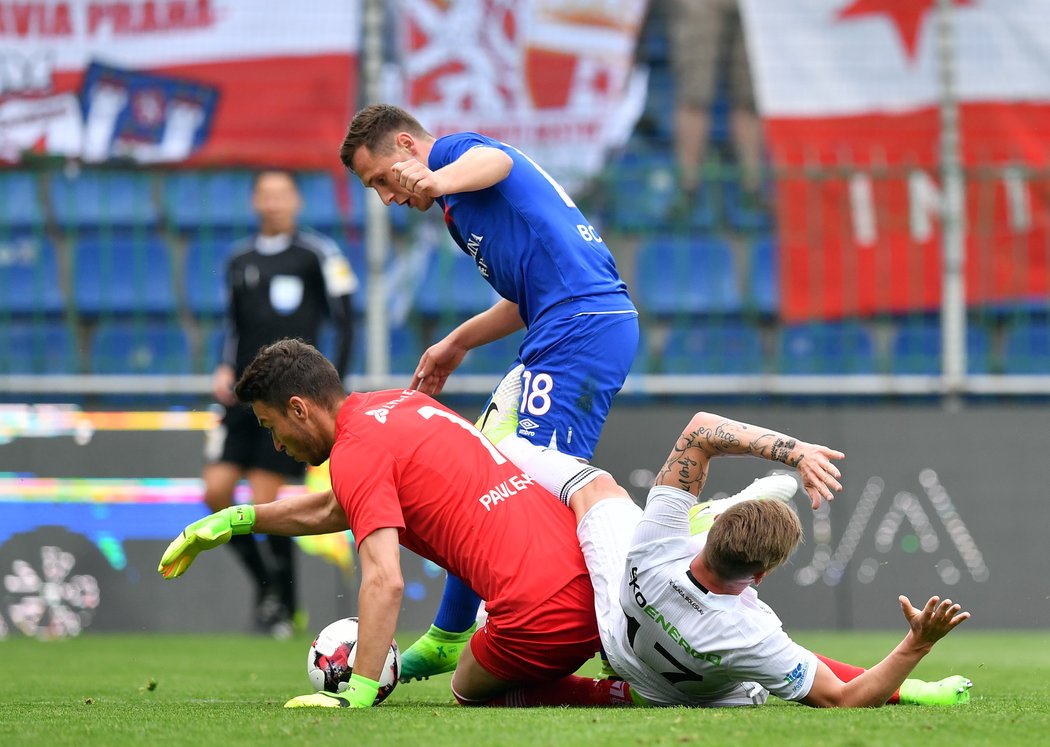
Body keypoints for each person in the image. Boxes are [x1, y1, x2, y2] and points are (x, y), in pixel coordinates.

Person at [159, 339, 638, 709]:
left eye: (271, 427)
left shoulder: (355, 453)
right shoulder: (398, 405)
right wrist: (238, 519)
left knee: (467, 687)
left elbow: (385, 581)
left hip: (541, 619)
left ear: (300, 409)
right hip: (601, 582)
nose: (277, 445)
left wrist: (360, 689)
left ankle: (610, 694)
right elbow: (338, 507)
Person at [339, 103, 640, 678]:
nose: (387, 197)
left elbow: (495, 159)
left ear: (406, 145)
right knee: (489, 472)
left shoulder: (454, 156)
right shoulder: (459, 206)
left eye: (381, 179)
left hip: (580, 328)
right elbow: (524, 298)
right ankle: (453, 631)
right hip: (568, 325)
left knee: (530, 484)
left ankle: (619, 622)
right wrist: (456, 342)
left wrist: (433, 176)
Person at [572, 410, 974, 708]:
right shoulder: (750, 633)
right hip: (671, 691)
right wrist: (917, 643)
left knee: (596, 490)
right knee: (765, 672)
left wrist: (796, 453)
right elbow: (843, 699)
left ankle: (711, 514)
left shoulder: (654, 550)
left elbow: (700, 432)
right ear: (761, 576)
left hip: (620, 640)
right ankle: (915, 692)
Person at [201, 170, 357, 638]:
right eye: (266, 195)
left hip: (287, 400)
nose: (274, 203)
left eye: (282, 195)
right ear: (255, 202)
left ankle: (284, 606)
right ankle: (270, 587)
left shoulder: (317, 254)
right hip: (241, 396)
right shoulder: (239, 259)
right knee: (215, 493)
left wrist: (332, 386)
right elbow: (232, 327)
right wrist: (224, 367)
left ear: (296, 202)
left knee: (266, 502)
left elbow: (346, 320)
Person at [664, 0, 766, 217]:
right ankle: (688, 188)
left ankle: (753, 190)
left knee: (750, 99)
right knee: (694, 94)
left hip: (757, 7)